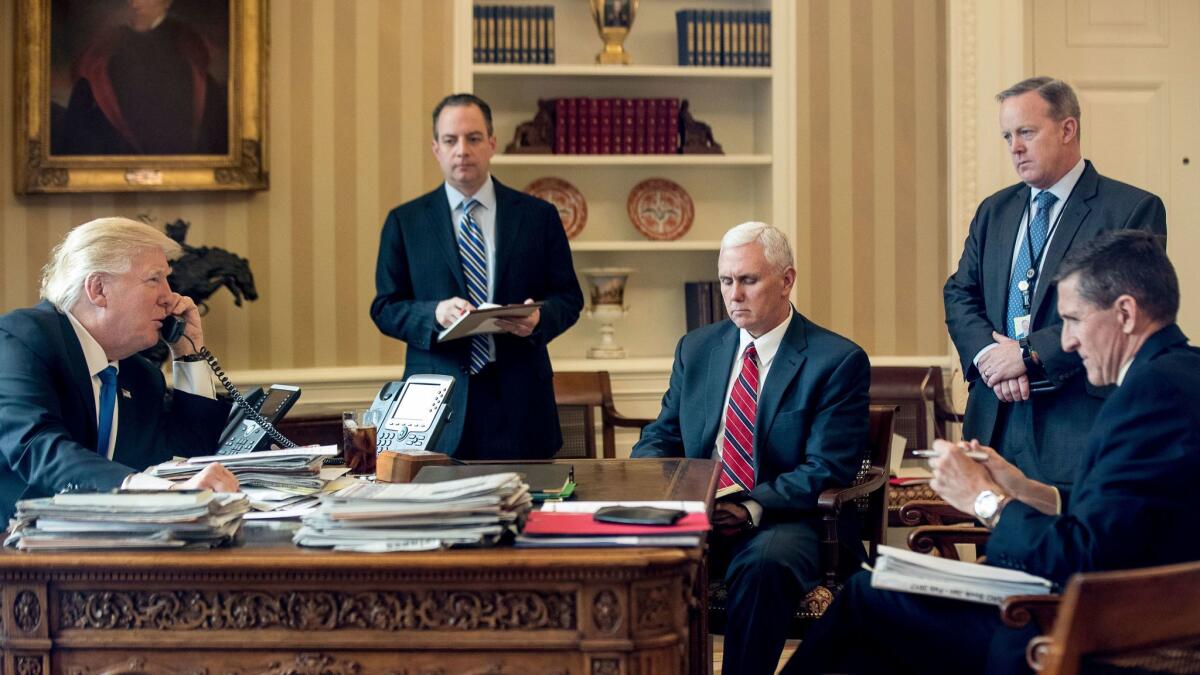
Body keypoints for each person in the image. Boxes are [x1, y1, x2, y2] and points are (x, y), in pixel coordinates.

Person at [785, 230, 1200, 675]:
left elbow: (1084, 555)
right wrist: (1028, 490)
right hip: (1138, 616)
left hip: (1091, 636)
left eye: (1074, 320)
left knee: (867, 597)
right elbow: (1129, 516)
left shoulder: (1145, 396)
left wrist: (985, 499)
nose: (1068, 342)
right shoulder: (1183, 374)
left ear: (1125, 314)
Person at [631, 222, 870, 675]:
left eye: (748, 280)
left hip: (786, 520)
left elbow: (827, 468)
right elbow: (662, 436)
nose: (734, 294)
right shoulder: (696, 349)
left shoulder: (836, 360)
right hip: (699, 514)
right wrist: (653, 481)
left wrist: (747, 506)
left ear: (786, 280)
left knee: (762, 567)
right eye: (726, 281)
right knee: (633, 555)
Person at [944, 77, 1167, 488]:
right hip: (994, 417)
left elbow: (1123, 310)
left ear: (1068, 129)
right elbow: (960, 292)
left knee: (1064, 544)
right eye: (1008, 135)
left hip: (1075, 420)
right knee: (996, 546)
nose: (1015, 147)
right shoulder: (994, 211)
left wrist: (1029, 355)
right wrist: (991, 355)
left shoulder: (1130, 209)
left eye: (1026, 132)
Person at [371, 93, 583, 460]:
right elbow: (385, 307)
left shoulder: (537, 216)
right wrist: (434, 314)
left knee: (527, 514)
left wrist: (538, 319)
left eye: (473, 138)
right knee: (438, 517)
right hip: (437, 407)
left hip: (521, 403)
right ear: (436, 149)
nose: (462, 150)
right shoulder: (406, 222)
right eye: (451, 141)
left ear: (492, 143)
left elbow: (569, 297)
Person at [0, 217, 239, 522]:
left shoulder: (140, 374)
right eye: (154, 279)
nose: (171, 298)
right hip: (13, 546)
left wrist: (188, 355)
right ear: (98, 289)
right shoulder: (19, 339)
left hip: (103, 547)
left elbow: (187, 456)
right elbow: (38, 449)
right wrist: (149, 490)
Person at [54, 0, 228, 155]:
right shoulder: (107, 46)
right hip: (118, 155)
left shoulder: (188, 46)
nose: (135, 3)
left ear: (166, 2)